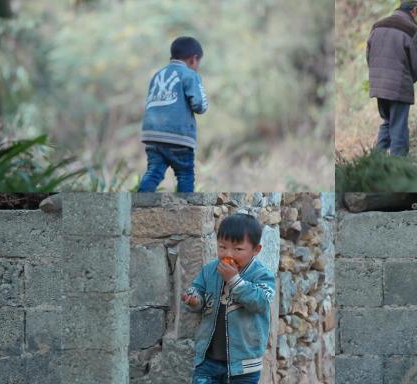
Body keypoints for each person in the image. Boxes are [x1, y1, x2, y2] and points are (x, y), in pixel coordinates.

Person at [181, 213, 275, 384]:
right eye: (222, 247)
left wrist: (234, 280)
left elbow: (260, 302)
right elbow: (198, 291)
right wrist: (194, 300)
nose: (228, 254)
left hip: (244, 366)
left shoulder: (262, 275)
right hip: (208, 361)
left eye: (238, 249)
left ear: (256, 250)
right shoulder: (210, 270)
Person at [138, 36, 208, 192]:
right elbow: (199, 106)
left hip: (152, 136)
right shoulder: (190, 75)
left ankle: (139, 204)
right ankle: (187, 208)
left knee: (153, 173)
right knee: (185, 174)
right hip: (178, 136)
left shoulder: (157, 75)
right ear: (194, 59)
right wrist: (199, 83)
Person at [367, 0, 417, 156]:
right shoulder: (413, 30)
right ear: (414, 10)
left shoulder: (377, 26)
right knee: (399, 126)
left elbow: (369, 56)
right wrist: (406, 80)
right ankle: (398, 169)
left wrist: (378, 77)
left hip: (378, 84)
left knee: (387, 123)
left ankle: (375, 163)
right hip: (399, 85)